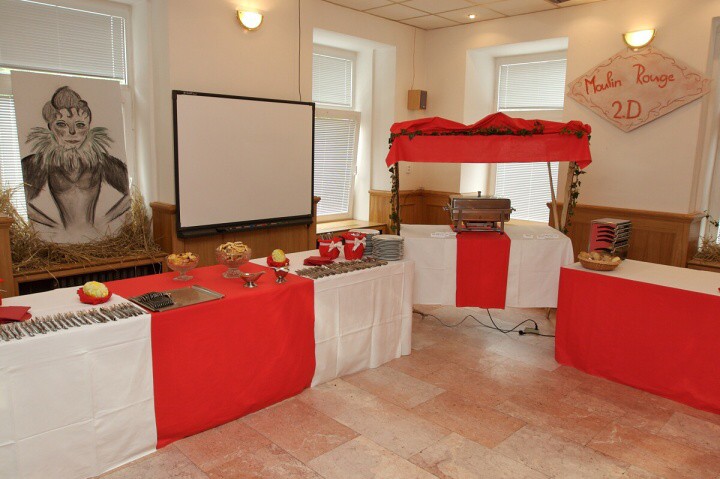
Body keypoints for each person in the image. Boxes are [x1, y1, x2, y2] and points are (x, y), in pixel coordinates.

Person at [21, 86, 130, 243]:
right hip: (58, 242)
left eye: (80, 125)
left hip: (98, 240)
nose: (72, 132)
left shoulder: (101, 160)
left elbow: (130, 194)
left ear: (89, 127)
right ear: (50, 127)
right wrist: (50, 226)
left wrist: (106, 220)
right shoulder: (40, 162)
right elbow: (20, 201)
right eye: (62, 124)